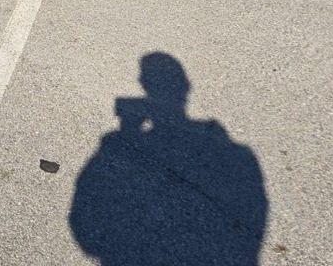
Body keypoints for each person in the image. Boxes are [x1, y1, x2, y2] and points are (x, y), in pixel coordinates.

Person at [70, 53, 267, 265]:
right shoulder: (238, 154)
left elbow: (84, 219)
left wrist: (126, 134)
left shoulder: (234, 153)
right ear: (186, 87)